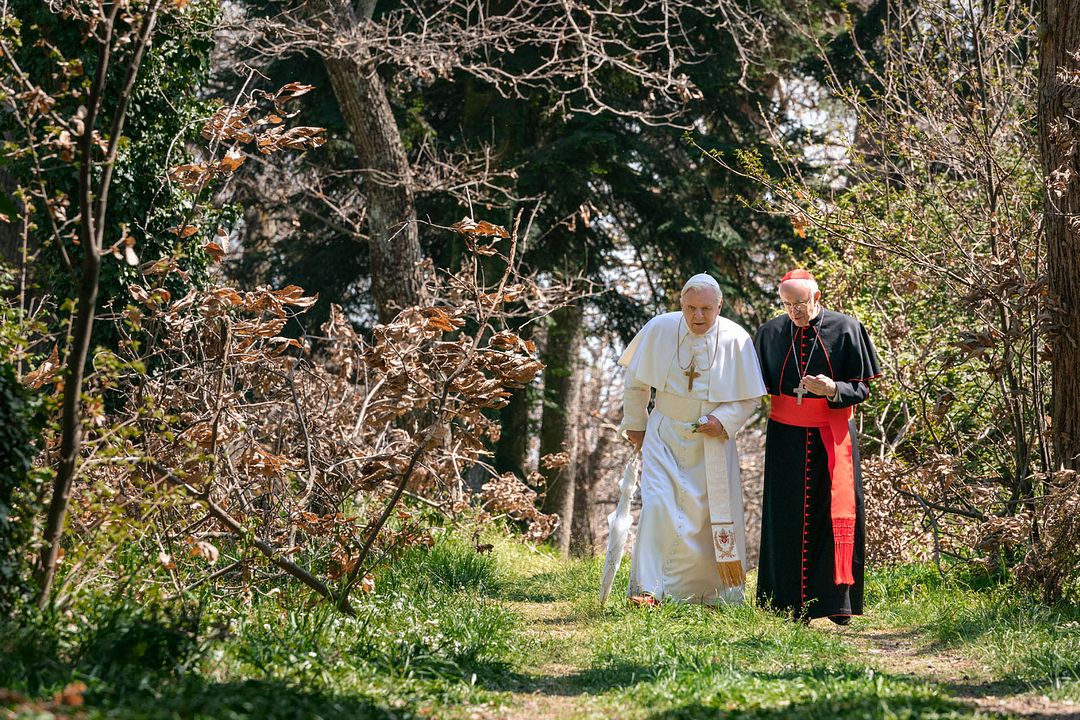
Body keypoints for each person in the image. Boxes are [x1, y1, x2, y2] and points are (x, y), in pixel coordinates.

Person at [619, 273, 766, 606]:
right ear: (680, 305)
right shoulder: (659, 328)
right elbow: (636, 382)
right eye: (690, 308)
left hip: (711, 441)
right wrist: (636, 425)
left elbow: (748, 397)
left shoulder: (735, 338)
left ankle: (712, 595)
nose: (698, 317)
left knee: (706, 518)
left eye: (706, 309)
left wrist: (722, 420)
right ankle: (648, 589)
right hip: (664, 432)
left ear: (719, 306)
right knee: (657, 505)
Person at [754, 269, 882, 624]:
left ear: (817, 297)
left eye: (801, 303)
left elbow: (862, 389)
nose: (794, 311)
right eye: (787, 304)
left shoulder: (846, 329)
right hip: (785, 438)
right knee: (785, 517)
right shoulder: (769, 333)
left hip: (833, 434)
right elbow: (752, 384)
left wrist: (833, 390)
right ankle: (785, 604)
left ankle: (835, 603)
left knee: (834, 515)